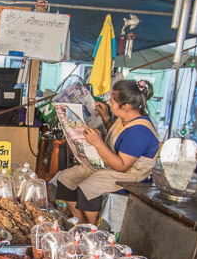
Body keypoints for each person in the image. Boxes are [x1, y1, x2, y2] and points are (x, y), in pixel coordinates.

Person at [55, 79, 160, 225]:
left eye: (112, 101)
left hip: (131, 174)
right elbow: (117, 136)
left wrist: (97, 142)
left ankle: (90, 229)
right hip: (112, 163)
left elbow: (122, 166)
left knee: (88, 188)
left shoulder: (139, 131)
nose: (109, 103)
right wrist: (105, 117)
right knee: (66, 178)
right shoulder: (125, 118)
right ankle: (79, 222)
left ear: (126, 106)